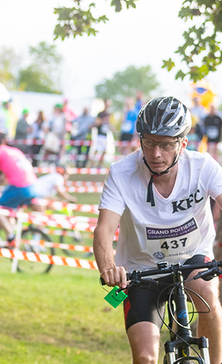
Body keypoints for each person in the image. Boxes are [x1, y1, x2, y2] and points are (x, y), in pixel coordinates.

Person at [95, 96, 222, 364]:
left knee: (207, 290)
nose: (155, 154)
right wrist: (108, 266)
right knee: (146, 357)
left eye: (165, 145)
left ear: (183, 143)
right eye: (149, 143)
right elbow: (104, 229)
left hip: (193, 256)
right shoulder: (121, 173)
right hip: (141, 270)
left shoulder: (203, 167)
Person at [0, 131, 37, 243]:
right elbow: (6, 173)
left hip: (20, 187)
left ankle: (11, 236)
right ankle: (12, 233)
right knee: (7, 210)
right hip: (33, 185)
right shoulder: (14, 151)